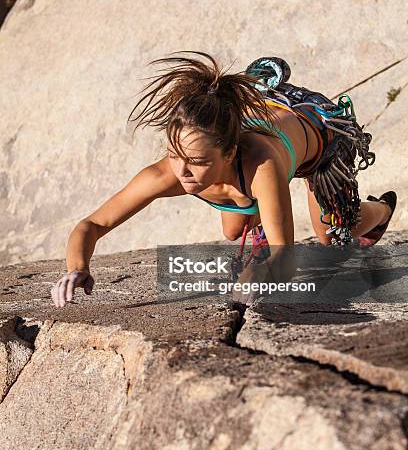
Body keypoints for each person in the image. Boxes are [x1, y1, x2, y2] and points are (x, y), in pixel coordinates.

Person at [51, 51, 397, 308]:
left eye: (197, 162)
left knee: (333, 237)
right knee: (233, 230)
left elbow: (286, 260)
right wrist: (76, 268)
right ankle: (260, 217)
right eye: (175, 155)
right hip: (259, 121)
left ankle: (380, 211)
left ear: (229, 154)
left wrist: (260, 273)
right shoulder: (168, 171)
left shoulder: (262, 166)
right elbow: (92, 224)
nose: (182, 172)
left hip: (319, 134)